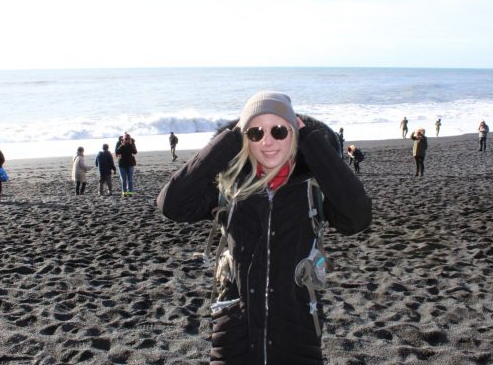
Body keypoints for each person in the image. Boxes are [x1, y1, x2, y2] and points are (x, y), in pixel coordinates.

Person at [157, 91, 372, 364]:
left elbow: (357, 218)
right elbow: (171, 204)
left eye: (280, 131)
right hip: (235, 337)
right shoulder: (231, 186)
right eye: (255, 133)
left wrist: (313, 142)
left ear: (295, 134)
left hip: (296, 334)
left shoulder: (311, 186)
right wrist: (228, 139)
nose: (268, 141)